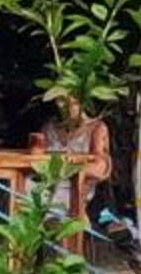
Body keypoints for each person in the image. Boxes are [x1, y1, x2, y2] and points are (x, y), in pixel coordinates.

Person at [28, 95, 113, 224]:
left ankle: (54, 225)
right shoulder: (49, 128)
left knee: (58, 199)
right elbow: (36, 158)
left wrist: (69, 170)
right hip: (47, 183)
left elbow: (101, 167)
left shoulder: (97, 128)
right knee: (22, 186)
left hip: (76, 187)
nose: (67, 107)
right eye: (61, 101)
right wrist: (37, 149)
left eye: (73, 103)